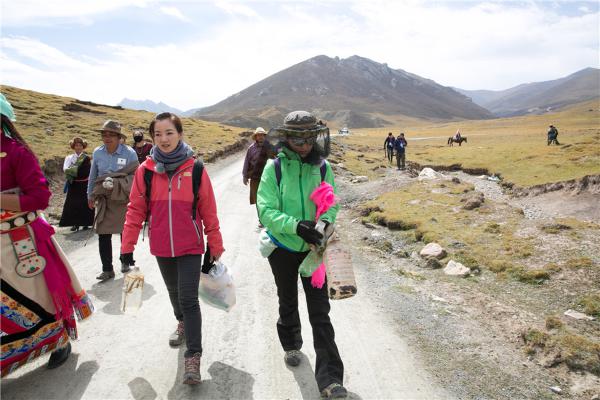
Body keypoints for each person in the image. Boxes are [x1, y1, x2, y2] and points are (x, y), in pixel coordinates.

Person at [120, 112, 224, 385]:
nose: (163, 139)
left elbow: (208, 211)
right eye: (158, 134)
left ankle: (194, 356)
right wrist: (127, 246)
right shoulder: (146, 171)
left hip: (191, 245)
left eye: (169, 133)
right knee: (173, 292)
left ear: (179, 134)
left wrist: (215, 244)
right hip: (161, 245)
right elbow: (135, 210)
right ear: (152, 137)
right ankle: (181, 322)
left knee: (189, 299)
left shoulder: (196, 169)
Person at [0, 93, 94, 377]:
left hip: (21, 241)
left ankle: (57, 341)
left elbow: (40, 197)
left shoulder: (16, 153)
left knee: (39, 297)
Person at [257, 111, 348, 399]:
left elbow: (331, 202)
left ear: (316, 136)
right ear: (285, 137)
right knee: (287, 299)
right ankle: (292, 343)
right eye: (297, 136)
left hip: (314, 252)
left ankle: (330, 379)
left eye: (308, 136)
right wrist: (296, 226)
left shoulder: (322, 167)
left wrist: (322, 225)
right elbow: (266, 211)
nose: (303, 143)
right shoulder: (274, 169)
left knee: (320, 313)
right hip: (282, 248)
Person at [87, 120, 139, 281]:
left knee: (125, 231)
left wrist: (118, 183)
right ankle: (107, 269)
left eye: (111, 135)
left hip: (123, 197)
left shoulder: (129, 153)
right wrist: (90, 195)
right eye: (104, 134)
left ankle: (125, 261)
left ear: (119, 137)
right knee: (103, 233)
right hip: (104, 198)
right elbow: (93, 175)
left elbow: (136, 177)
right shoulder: (97, 153)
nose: (107, 137)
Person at [59, 137, 94, 232]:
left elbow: (88, 171)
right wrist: (75, 171)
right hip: (73, 184)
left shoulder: (87, 158)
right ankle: (75, 223)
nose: (78, 147)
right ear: (73, 147)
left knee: (85, 203)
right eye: (76, 145)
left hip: (84, 184)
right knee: (73, 203)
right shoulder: (69, 158)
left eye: (80, 145)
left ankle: (86, 223)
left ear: (83, 147)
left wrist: (73, 170)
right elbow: (65, 169)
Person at [242, 127, 274, 225]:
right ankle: (261, 220)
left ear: (265, 136)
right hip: (255, 177)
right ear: (256, 137)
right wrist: (245, 176)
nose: (260, 137)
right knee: (258, 199)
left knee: (269, 198)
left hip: (269, 177)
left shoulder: (270, 147)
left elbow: (276, 160)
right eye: (258, 135)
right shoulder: (251, 149)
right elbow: (247, 162)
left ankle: (270, 219)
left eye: (262, 135)